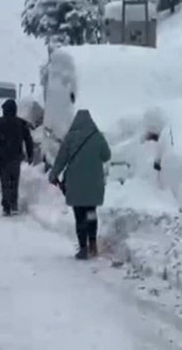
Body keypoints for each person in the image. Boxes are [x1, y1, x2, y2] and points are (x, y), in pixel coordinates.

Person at [48, 109, 111, 260]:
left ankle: (83, 248)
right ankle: (93, 244)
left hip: (75, 185)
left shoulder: (70, 138)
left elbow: (61, 159)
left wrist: (53, 175)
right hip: (93, 184)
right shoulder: (97, 137)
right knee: (91, 213)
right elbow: (106, 155)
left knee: (80, 216)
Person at [0, 99, 34, 216]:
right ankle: (14, 204)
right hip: (16, 156)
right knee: (14, 180)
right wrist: (30, 154)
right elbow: (28, 140)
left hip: (2, 156)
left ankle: (6, 206)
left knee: (4, 181)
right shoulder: (21, 123)